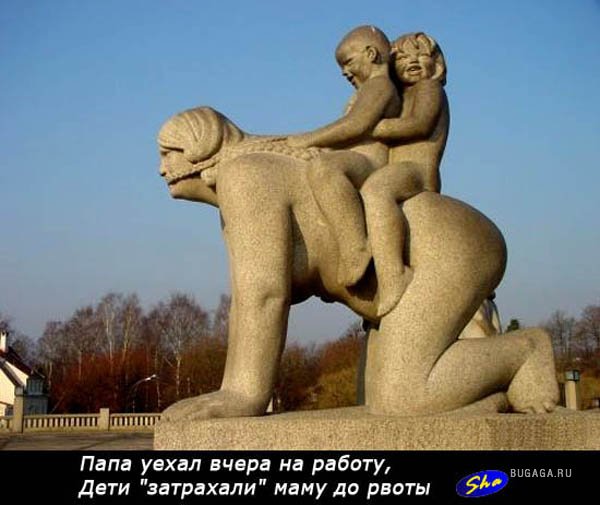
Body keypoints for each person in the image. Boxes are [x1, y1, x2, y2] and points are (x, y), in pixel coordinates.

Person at [287, 25, 401, 286]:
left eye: (348, 62)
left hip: (368, 162)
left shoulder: (379, 86)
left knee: (324, 168)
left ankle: (356, 246)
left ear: (371, 54)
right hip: (354, 157)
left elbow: (355, 125)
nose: (344, 72)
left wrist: (308, 139)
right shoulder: (367, 89)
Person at [361, 32, 449, 316]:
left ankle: (393, 274)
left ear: (436, 62)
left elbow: (420, 124)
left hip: (418, 171)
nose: (412, 61)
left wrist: (375, 127)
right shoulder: (405, 96)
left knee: (376, 190)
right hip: (399, 169)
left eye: (420, 54)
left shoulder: (428, 89)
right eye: (402, 58)